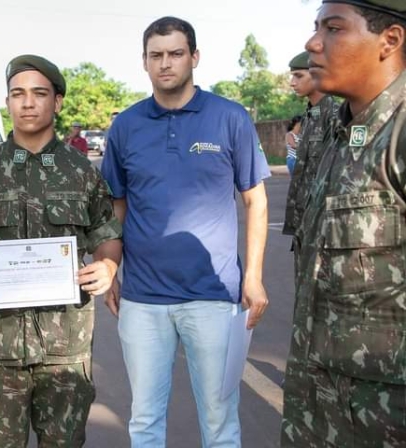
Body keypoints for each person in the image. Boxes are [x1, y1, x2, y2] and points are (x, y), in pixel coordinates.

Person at [101, 16, 270, 448]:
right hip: (143, 300)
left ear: (194, 57)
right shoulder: (126, 126)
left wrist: (252, 276)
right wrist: (111, 265)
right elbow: (116, 205)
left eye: (176, 53)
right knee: (144, 420)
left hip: (212, 296)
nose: (166, 64)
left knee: (219, 421)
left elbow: (255, 200)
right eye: (156, 55)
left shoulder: (229, 118)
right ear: (143, 62)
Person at [0, 54, 122, 447]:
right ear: (7, 102)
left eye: (39, 93)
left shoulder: (82, 171)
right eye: (17, 94)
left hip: (65, 347)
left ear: (56, 102)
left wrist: (108, 264)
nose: (27, 102)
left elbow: (106, 230)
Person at [281, 1, 406, 446]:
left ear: (389, 41)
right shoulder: (341, 128)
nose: (313, 42)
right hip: (320, 406)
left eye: (333, 28)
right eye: (316, 28)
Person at [282, 51, 339, 235]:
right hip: (304, 222)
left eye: (299, 76)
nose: (292, 82)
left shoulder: (335, 117)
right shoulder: (308, 118)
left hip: (324, 225)